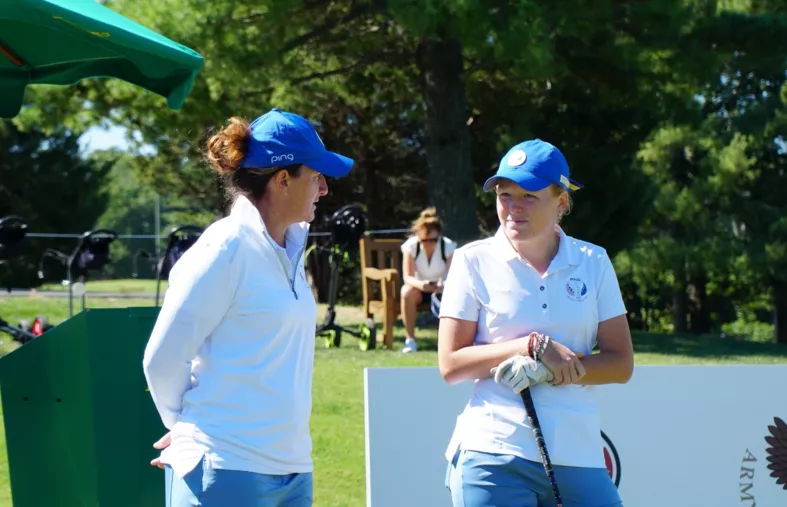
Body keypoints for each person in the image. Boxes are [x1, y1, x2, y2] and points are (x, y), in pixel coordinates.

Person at [142, 108, 354, 507]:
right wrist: (187, 427)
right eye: (317, 176)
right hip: (224, 470)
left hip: (293, 470)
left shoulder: (290, 249)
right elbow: (161, 359)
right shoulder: (224, 248)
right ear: (283, 180)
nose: (325, 189)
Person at [437, 139, 634, 507]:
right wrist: (530, 346)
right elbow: (450, 364)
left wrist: (552, 371)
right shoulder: (471, 261)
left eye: (529, 196)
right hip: (493, 449)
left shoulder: (594, 261)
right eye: (505, 194)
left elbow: (620, 363)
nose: (513, 207)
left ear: (561, 203)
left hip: (578, 453)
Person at [399, 207, 457, 353]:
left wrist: (442, 285)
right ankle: (410, 340)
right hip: (419, 289)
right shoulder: (411, 246)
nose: (429, 244)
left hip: (442, 290)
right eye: (425, 240)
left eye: (433, 240)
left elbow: (454, 276)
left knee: (456, 295)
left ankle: (449, 343)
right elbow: (407, 277)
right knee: (406, 292)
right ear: (418, 236)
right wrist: (422, 285)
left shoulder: (448, 246)